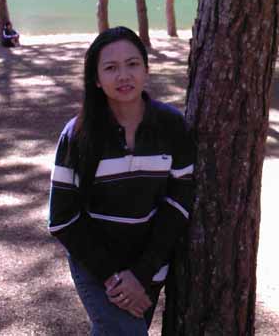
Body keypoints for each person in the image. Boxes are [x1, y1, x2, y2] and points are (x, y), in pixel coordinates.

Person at [48, 26, 194, 335]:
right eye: (111, 68)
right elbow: (62, 219)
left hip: (150, 266)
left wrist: (140, 275)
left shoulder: (171, 126)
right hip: (96, 268)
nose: (123, 75)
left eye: (132, 64)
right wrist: (114, 278)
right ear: (96, 79)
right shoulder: (77, 136)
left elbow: (179, 203)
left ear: (146, 69)